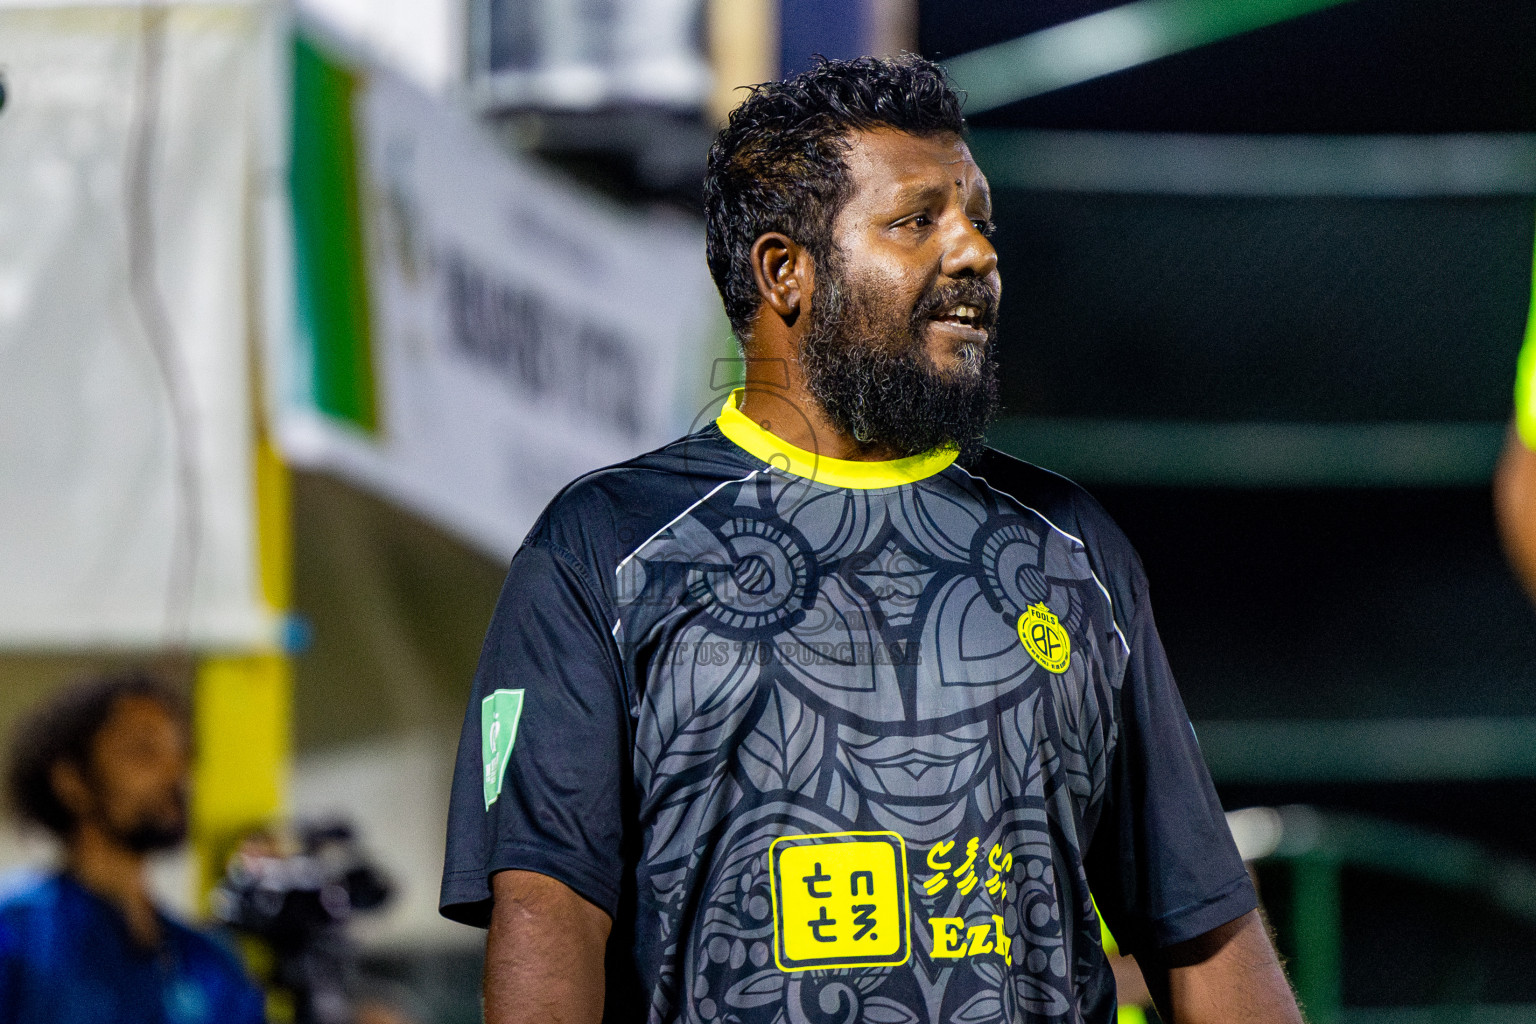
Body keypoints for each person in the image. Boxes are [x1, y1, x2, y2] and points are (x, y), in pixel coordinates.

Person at [441, 55, 1303, 1024]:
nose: (975, 251)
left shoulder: (1070, 547)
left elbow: (1205, 925)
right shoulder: (603, 549)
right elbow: (546, 918)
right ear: (785, 271)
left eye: (979, 218)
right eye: (918, 219)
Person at [0, 671, 267, 1023]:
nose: (174, 773)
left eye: (181, 753)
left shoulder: (207, 958)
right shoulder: (16, 933)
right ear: (72, 781)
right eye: (143, 751)